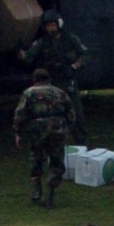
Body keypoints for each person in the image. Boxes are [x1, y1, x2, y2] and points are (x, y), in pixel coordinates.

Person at [17, 10, 88, 143]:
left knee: (77, 114)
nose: (51, 28)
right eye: (48, 26)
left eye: (53, 25)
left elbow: (84, 55)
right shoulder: (42, 43)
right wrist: (19, 49)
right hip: (51, 84)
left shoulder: (70, 39)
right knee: (51, 116)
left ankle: (81, 143)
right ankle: (54, 144)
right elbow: (28, 57)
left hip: (68, 81)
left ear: (58, 24)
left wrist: (73, 67)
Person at [13, 67, 74, 208]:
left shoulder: (28, 93)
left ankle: (36, 189)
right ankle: (51, 191)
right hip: (57, 129)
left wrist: (19, 133)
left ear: (35, 80)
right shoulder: (60, 93)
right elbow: (70, 112)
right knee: (56, 161)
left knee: (36, 158)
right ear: (49, 79)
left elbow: (20, 114)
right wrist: (69, 128)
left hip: (37, 131)